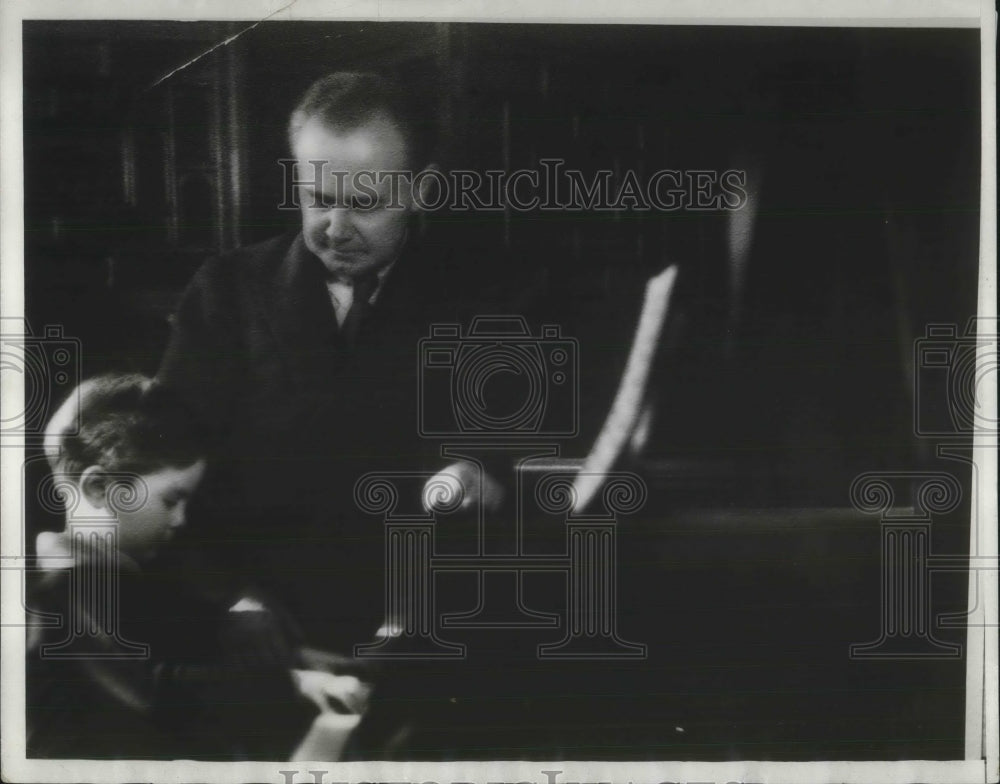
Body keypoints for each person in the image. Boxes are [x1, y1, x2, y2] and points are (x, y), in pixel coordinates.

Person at [156, 72, 499, 654]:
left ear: (421, 189)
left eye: (363, 205)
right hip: (250, 618)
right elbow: (165, 462)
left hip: (419, 623)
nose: (336, 230)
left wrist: (479, 474)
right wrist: (233, 603)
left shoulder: (480, 302)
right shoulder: (225, 291)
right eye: (318, 199)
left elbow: (500, 453)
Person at [27, 373, 370, 760]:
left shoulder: (118, 578)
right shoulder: (64, 588)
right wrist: (293, 682)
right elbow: (153, 692)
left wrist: (295, 656)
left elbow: (194, 633)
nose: (180, 520)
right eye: (171, 500)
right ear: (99, 488)